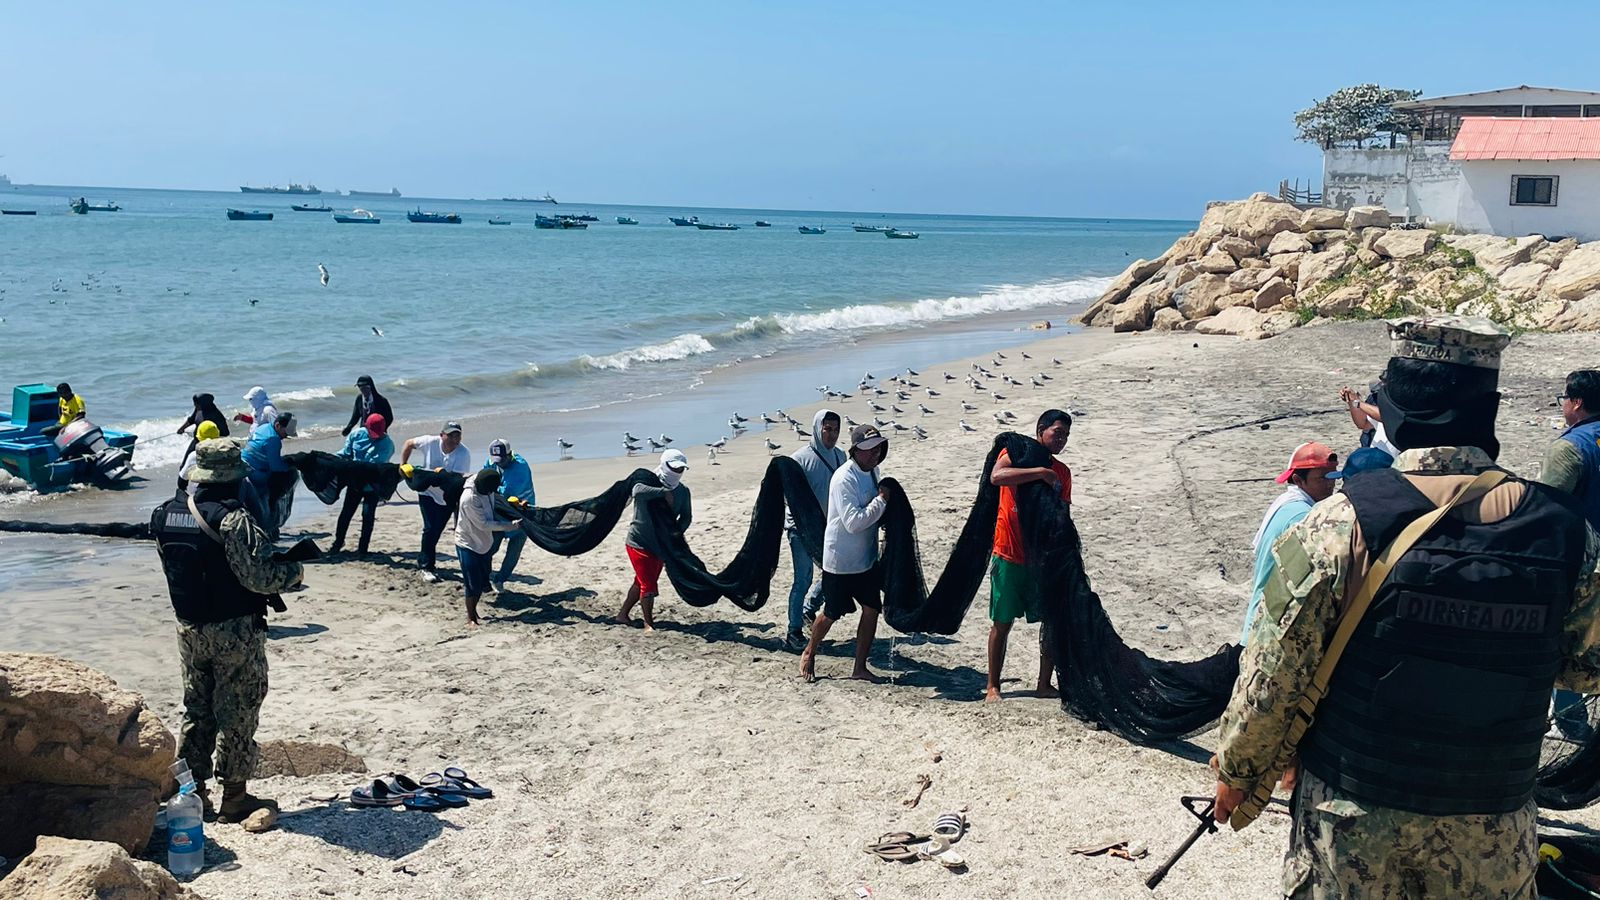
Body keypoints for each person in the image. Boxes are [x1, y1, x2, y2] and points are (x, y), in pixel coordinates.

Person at [1213, 316, 1600, 899]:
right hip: (1493, 822)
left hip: (1352, 816)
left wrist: (1240, 769)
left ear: (1393, 412)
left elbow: (1275, 669)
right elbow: (1585, 667)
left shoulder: (1340, 522)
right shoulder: (1566, 532)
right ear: (1489, 410)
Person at [149, 438, 304, 823]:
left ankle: (190, 791)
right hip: (233, 630)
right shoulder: (234, 520)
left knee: (196, 708)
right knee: (237, 708)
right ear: (235, 478)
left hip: (189, 628)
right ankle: (235, 797)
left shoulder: (165, 515)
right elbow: (259, 577)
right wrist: (294, 571)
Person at [985, 409, 1075, 701]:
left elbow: (1063, 512)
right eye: (1057, 432)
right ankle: (993, 686)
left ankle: (1043, 683)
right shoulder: (1017, 453)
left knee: (1052, 620)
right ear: (1040, 431)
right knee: (1002, 623)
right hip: (1008, 553)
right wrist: (1040, 473)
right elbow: (997, 476)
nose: (1061, 439)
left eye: (1066, 435)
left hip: (1042, 558)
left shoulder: (1063, 472)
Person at [800, 424, 890, 683]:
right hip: (840, 561)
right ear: (855, 450)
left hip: (866, 560)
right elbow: (853, 522)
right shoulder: (843, 478)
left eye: (878, 449)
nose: (874, 454)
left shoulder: (873, 472)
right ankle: (810, 650)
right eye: (869, 449)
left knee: (872, 609)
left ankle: (860, 667)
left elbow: (874, 515)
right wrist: (882, 500)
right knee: (831, 613)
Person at [1541, 370, 1600, 737]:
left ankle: (1572, 724)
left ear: (1576, 403)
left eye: (1563, 399)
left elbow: (1548, 513)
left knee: (1570, 643)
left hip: (1586, 565)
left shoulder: (1569, 448)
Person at [1236, 441, 1337, 644]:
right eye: (1322, 478)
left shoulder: (1287, 503)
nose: (1330, 484)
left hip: (1262, 617)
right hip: (1268, 626)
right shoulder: (1301, 515)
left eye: (1333, 476)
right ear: (1298, 480)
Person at [784, 409, 846, 651]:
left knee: (834, 573)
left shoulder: (841, 456)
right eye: (827, 429)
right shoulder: (799, 459)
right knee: (803, 579)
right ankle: (793, 631)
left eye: (836, 429)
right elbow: (788, 495)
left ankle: (808, 610)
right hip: (799, 529)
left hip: (829, 527)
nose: (832, 434)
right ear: (817, 428)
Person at [617, 449, 693, 630]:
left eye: (680, 469)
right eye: (673, 468)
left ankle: (622, 615)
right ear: (664, 465)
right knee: (648, 585)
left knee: (641, 581)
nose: (677, 472)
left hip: (661, 546)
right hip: (638, 542)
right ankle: (648, 624)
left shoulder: (683, 491)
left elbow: (686, 517)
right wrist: (662, 492)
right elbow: (636, 491)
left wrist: (674, 534)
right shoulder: (648, 481)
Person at [399, 422, 472, 582]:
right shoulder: (430, 442)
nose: (454, 439)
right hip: (427, 492)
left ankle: (426, 559)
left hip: (447, 496)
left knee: (437, 530)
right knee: (430, 528)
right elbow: (409, 443)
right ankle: (426, 566)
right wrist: (403, 464)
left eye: (457, 435)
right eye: (450, 435)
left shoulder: (463, 453)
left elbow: (455, 480)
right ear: (441, 435)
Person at [455, 468, 525, 626]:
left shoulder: (487, 486)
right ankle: (471, 617)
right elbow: (484, 525)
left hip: (484, 543)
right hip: (468, 543)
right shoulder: (469, 499)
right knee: (472, 583)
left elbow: (498, 500)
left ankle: (474, 611)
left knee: (481, 579)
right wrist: (511, 525)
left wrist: (515, 505)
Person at [330, 413, 394, 556]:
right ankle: (338, 542)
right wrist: (330, 460)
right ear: (366, 426)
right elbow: (346, 453)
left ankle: (363, 548)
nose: (375, 437)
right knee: (346, 513)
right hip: (354, 482)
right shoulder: (356, 435)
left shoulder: (387, 444)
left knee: (368, 514)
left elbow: (375, 465)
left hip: (373, 485)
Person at [484, 439, 534, 594]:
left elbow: (506, 492)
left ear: (509, 454)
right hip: (500, 514)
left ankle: (500, 579)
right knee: (491, 547)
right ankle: (484, 576)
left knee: (513, 551)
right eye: (496, 460)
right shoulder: (491, 463)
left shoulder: (520, 467)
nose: (499, 463)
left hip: (521, 514)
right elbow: (484, 479)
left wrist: (491, 487)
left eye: (502, 459)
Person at [240, 411, 295, 540]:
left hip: (242, 466)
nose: (286, 436)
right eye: (286, 432)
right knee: (267, 501)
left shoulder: (263, 427)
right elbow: (276, 467)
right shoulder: (273, 440)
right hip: (255, 474)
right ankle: (267, 529)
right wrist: (289, 466)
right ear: (278, 426)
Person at [1339, 381, 1400, 458]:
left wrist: (1358, 403)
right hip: (1378, 459)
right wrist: (1351, 401)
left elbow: (1388, 416)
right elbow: (1363, 423)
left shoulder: (1407, 402)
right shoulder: (1381, 400)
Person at [178, 420, 223, 493]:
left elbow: (181, 482)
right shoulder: (227, 453)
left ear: (199, 437)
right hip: (227, 492)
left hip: (202, 495)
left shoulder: (194, 455)